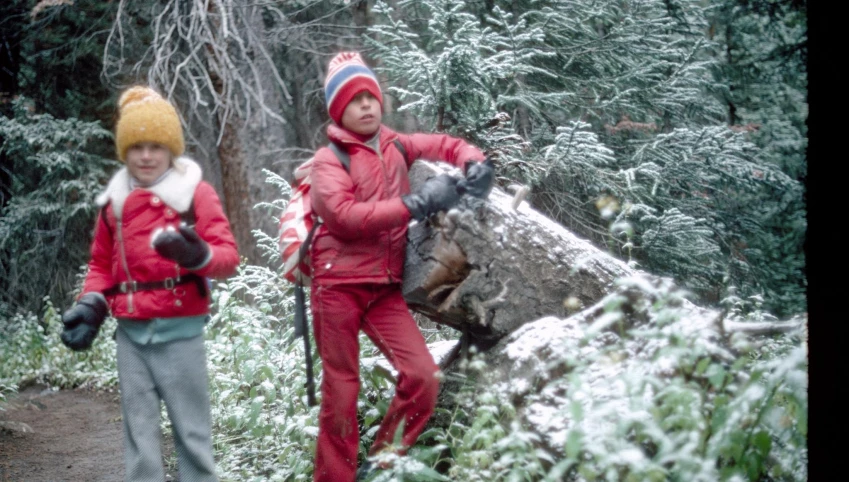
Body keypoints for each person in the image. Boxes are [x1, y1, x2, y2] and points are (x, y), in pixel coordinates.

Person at [308, 51, 495, 482]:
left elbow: (447, 145)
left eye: (370, 96)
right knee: (342, 389)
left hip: (383, 289)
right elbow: (345, 217)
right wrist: (415, 203)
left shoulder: (397, 145)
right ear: (339, 109)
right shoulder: (328, 160)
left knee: (423, 376)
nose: (367, 106)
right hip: (337, 285)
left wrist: (476, 162)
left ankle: (381, 466)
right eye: (355, 100)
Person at [59, 86, 240, 482]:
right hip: (131, 337)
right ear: (124, 150)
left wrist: (199, 257)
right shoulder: (115, 204)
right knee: (139, 435)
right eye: (136, 145)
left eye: (156, 146)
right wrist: (91, 304)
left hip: (181, 333)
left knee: (192, 432)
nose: (145, 155)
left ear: (171, 148)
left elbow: (228, 256)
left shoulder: (195, 194)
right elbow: (101, 265)